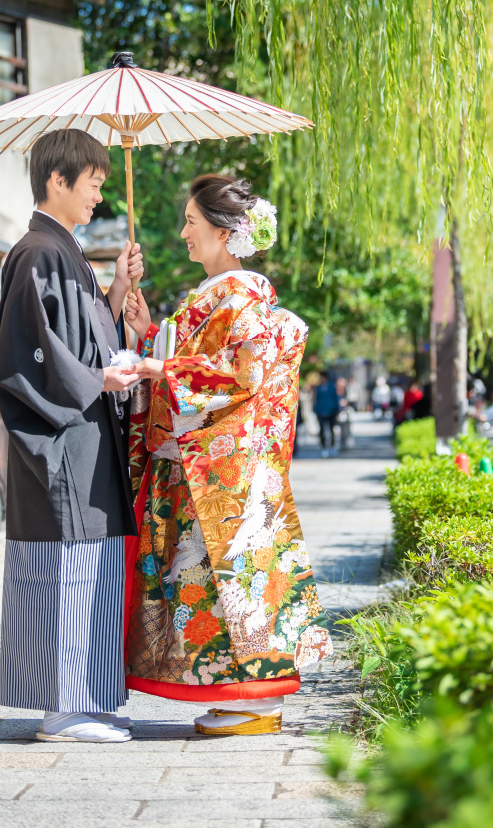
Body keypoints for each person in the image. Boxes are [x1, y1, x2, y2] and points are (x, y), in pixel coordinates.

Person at [123, 174, 332, 737]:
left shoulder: (236, 298)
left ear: (221, 232)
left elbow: (243, 375)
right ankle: (239, 696)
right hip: (220, 464)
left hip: (223, 466)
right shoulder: (220, 296)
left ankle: (255, 700)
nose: (184, 232)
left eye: (192, 223)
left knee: (233, 578)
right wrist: (148, 336)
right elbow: (187, 361)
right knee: (222, 582)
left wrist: (156, 367)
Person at [0, 129, 142, 744]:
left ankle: (88, 697)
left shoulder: (65, 252)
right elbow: (30, 359)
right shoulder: (37, 252)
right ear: (57, 180)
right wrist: (97, 376)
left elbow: (82, 341)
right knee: (63, 570)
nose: (99, 198)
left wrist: (116, 292)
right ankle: (62, 707)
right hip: (60, 443)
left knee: (92, 565)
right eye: (94, 184)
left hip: (85, 440)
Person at [313, 371, 340, 456]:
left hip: (331, 411)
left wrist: (336, 409)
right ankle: (323, 447)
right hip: (320, 411)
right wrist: (315, 409)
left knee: (331, 430)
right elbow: (315, 399)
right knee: (322, 431)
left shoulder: (332, 387)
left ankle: (332, 446)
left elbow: (335, 398)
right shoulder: (318, 388)